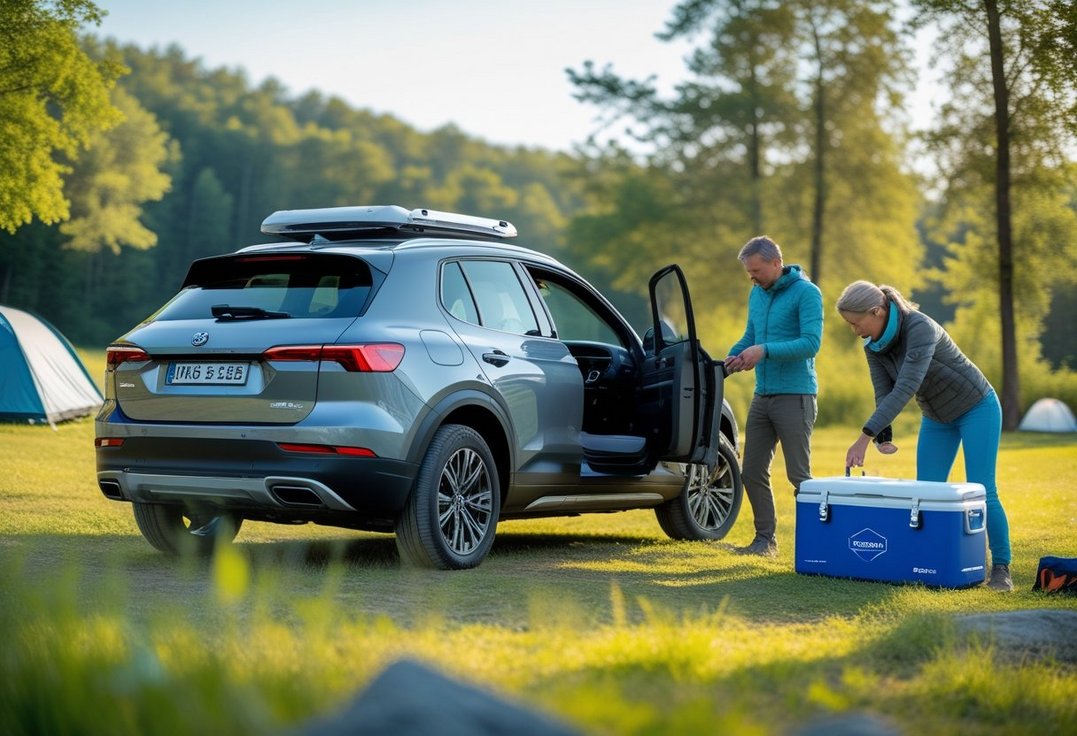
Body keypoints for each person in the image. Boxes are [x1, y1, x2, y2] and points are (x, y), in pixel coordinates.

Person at [836, 280, 1014, 592]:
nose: (855, 331)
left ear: (876, 311)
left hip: (976, 407)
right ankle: (934, 561)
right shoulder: (873, 344)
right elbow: (884, 391)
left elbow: (906, 386)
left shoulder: (919, 327)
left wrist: (864, 436)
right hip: (937, 416)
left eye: (856, 323)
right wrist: (883, 436)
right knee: (927, 492)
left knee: (983, 489)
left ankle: (1001, 568)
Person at [724, 236, 823, 556]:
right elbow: (750, 336)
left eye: (756, 271)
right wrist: (734, 356)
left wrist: (763, 351)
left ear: (777, 263)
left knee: (799, 477)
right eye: (748, 272)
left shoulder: (807, 293)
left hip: (796, 396)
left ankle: (816, 546)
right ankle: (764, 541)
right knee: (750, 471)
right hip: (763, 395)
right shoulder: (757, 293)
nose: (751, 277)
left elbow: (811, 343)